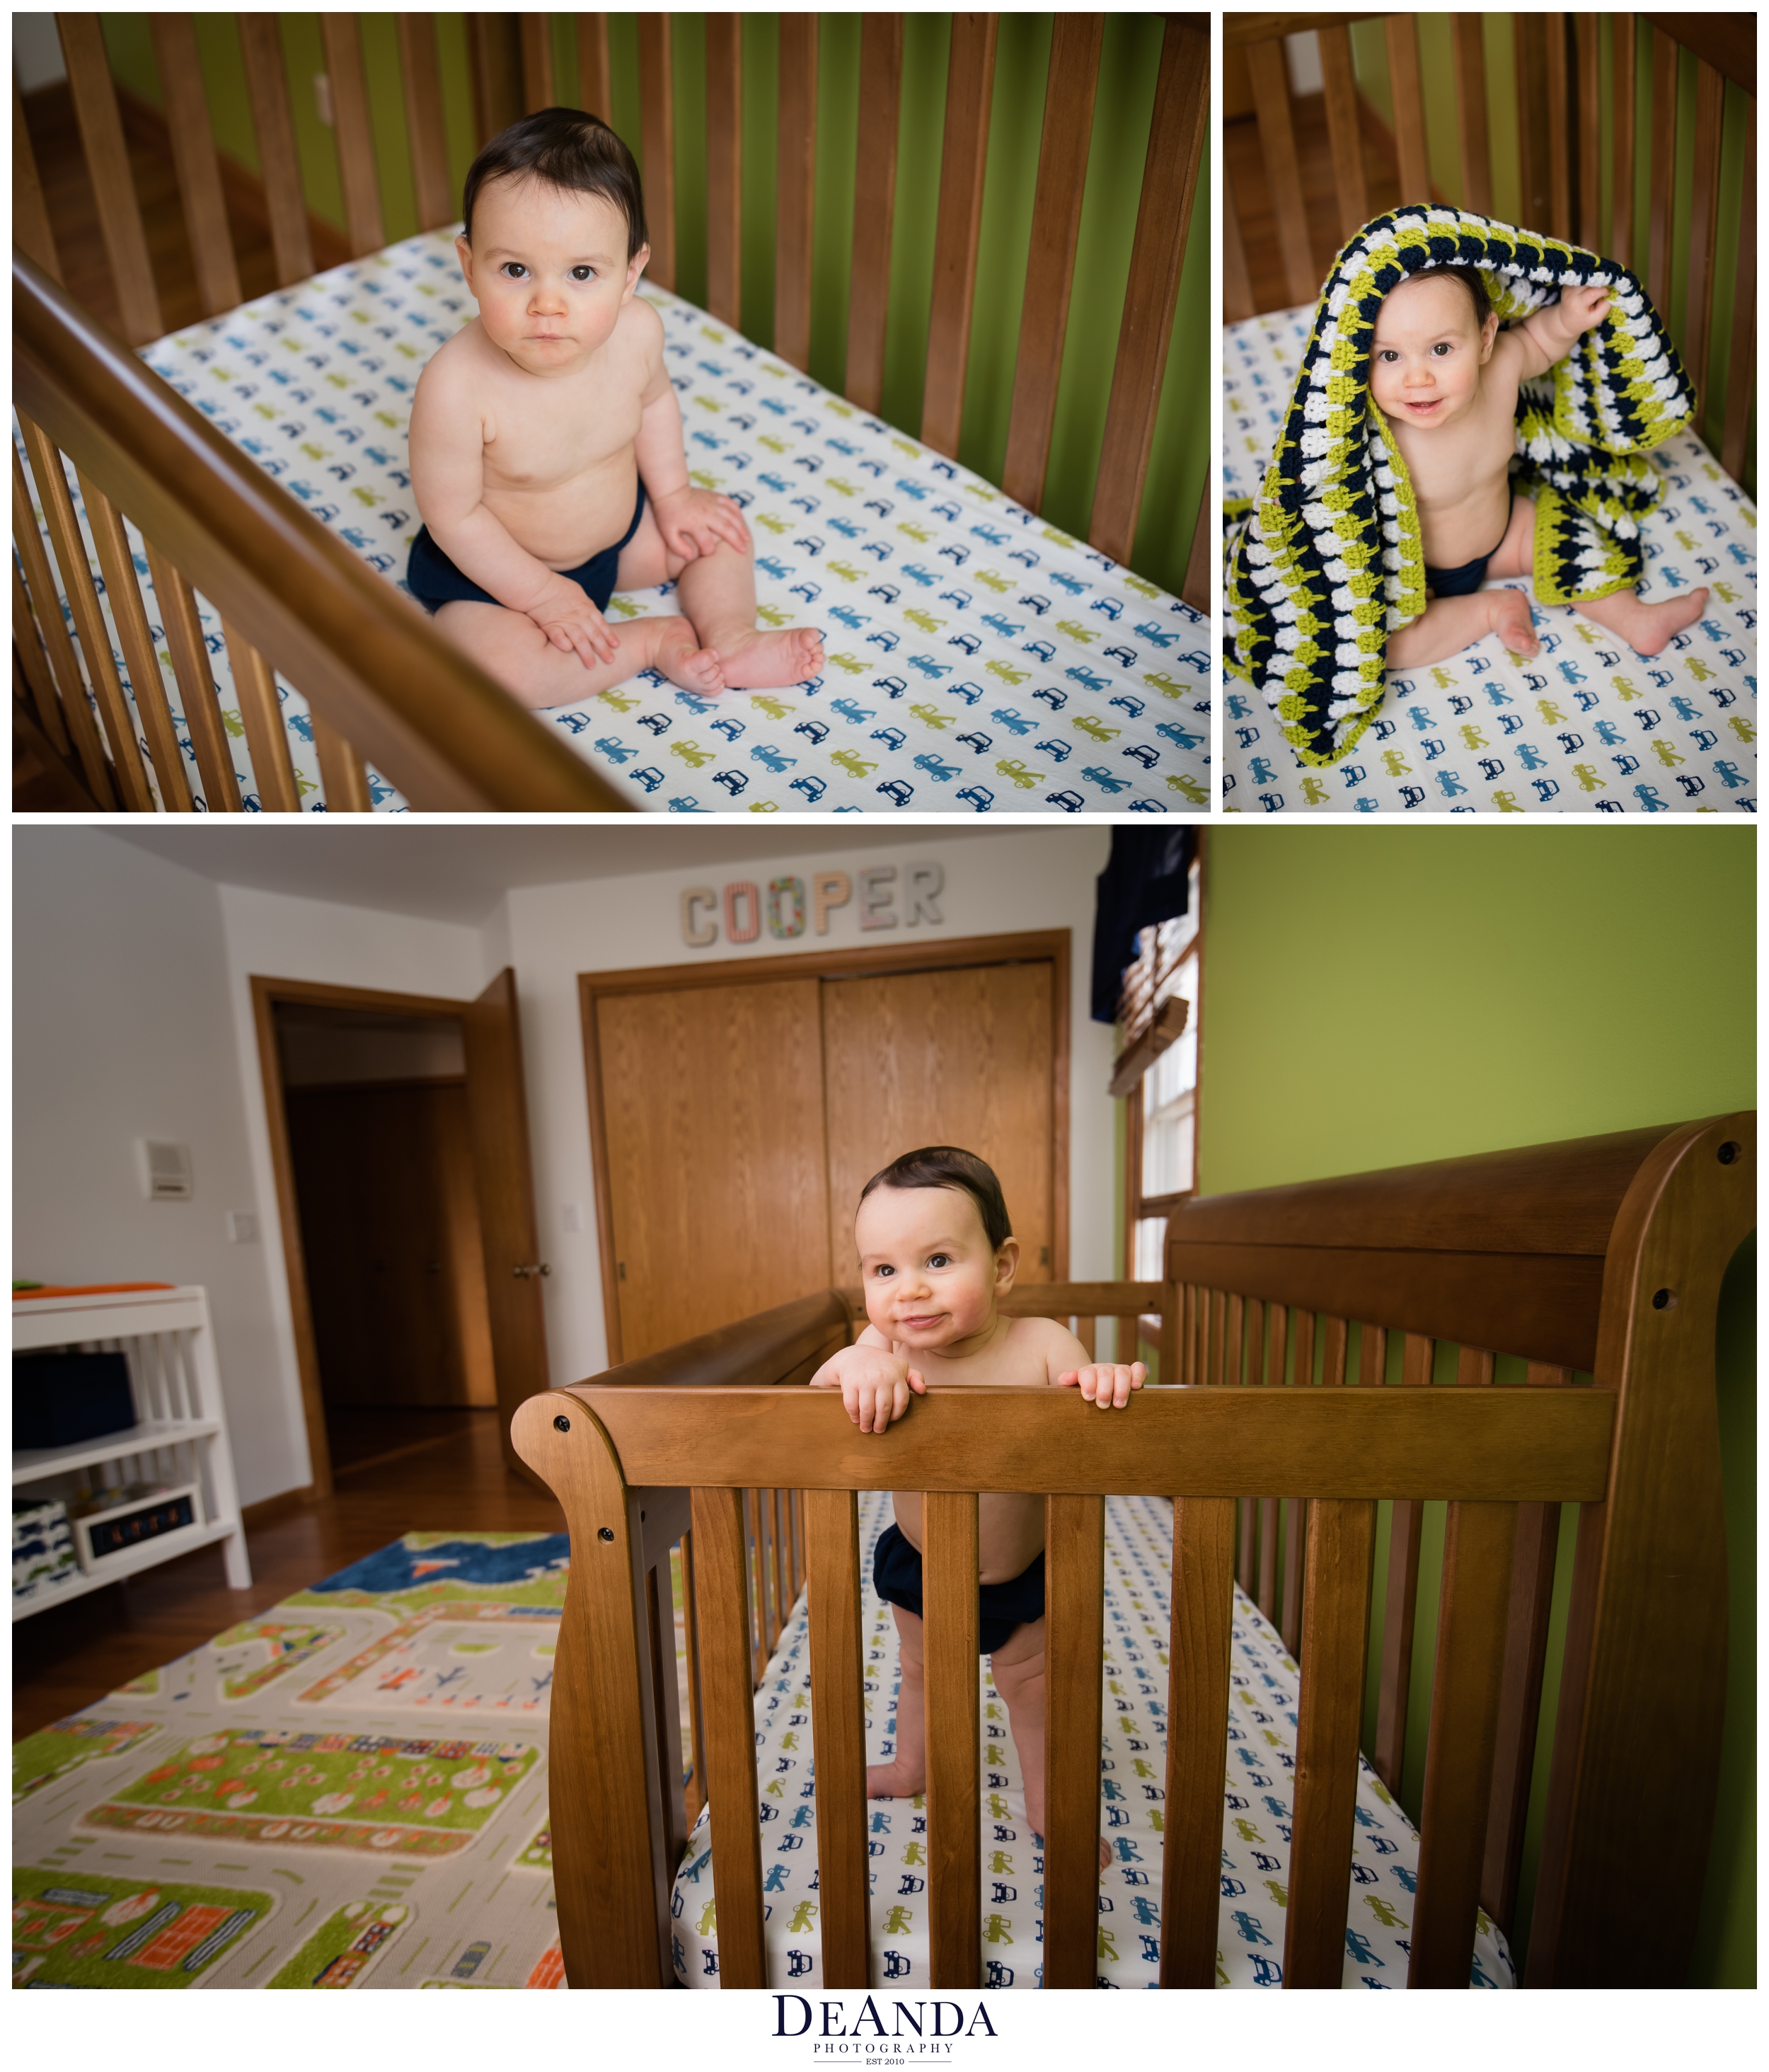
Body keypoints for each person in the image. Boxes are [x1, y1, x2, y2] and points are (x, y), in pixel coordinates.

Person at [406, 107, 824, 708]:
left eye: (581, 273)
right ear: (470, 267)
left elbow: (655, 404)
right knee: (496, 672)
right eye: (516, 270)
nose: (547, 303)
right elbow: (454, 517)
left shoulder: (637, 335)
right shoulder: (454, 386)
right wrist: (544, 595)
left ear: (630, 277)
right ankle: (651, 642)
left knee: (719, 530)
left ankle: (732, 637)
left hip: (619, 544)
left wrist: (676, 496)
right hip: (496, 580)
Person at [809, 1146, 1143, 1865]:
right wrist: (855, 1362)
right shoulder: (884, 1347)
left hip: (1023, 1578)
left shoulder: (1042, 1344)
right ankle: (911, 1767)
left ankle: (1052, 1811)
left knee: (1031, 1692)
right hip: (923, 1566)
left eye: (936, 1261)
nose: (909, 1292)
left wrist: (1104, 1380)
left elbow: (1084, 1396)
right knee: (922, 1672)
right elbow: (817, 1396)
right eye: (883, 1270)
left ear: (1000, 1265)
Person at [1374, 265, 1708, 672]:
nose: (1418, 378)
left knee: (1571, 541)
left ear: (1484, 339)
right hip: (1416, 575)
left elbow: (1538, 340)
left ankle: (1635, 618)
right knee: (1386, 648)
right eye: (1389, 355)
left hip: (1506, 536)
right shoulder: (1372, 429)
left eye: (1441, 349)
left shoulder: (1501, 368)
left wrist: (1568, 319)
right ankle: (1490, 610)